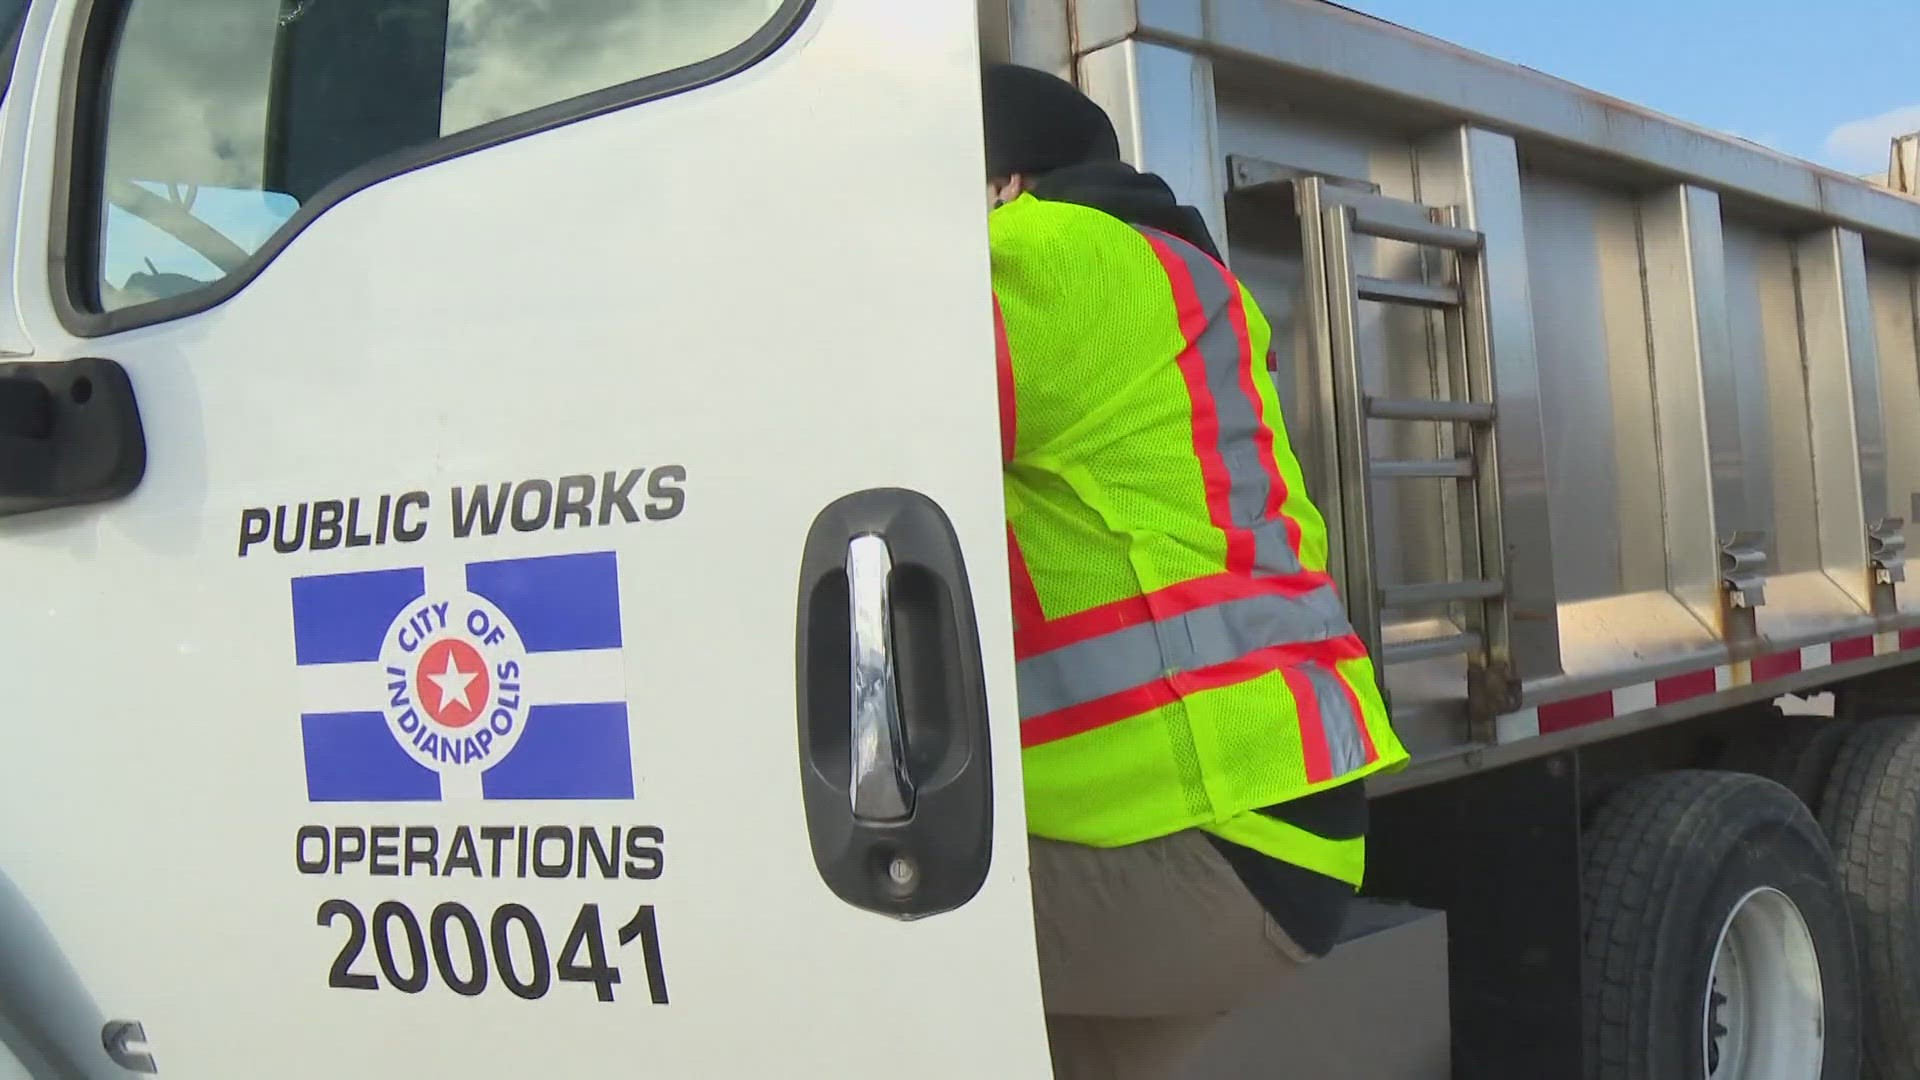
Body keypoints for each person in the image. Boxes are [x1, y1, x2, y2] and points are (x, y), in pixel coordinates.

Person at [981, 63, 1410, 1079]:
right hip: (1268, 830)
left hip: (1197, 841)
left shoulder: (1051, 254)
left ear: (1006, 185)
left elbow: (831, 423)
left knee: (820, 920)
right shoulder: (1174, 275)